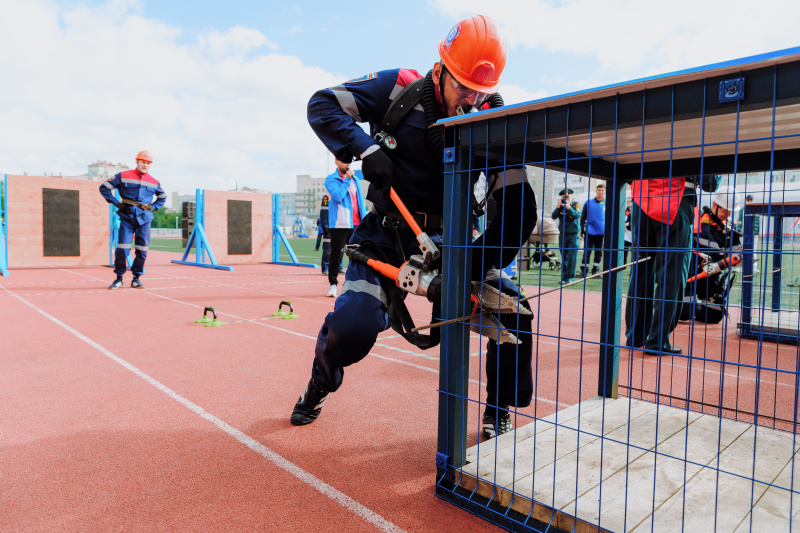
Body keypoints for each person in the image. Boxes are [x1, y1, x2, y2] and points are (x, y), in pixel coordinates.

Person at [293, 14, 537, 440]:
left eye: (481, 92)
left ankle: (497, 409)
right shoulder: (398, 88)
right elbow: (322, 104)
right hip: (386, 235)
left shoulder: (493, 123)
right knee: (353, 327)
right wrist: (366, 149)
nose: (470, 101)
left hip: (454, 241)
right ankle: (320, 381)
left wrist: (471, 271)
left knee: (515, 313)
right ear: (440, 69)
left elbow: (519, 210)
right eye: (462, 87)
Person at [625, 175, 719, 356]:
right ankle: (657, 341)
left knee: (640, 271)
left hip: (641, 199)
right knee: (673, 275)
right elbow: (710, 182)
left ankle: (635, 337)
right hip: (675, 197)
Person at [99, 150, 167, 290]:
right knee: (122, 250)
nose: (145, 165)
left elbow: (163, 197)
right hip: (127, 217)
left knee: (142, 251)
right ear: (137, 161)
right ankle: (119, 278)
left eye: (148, 163)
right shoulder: (123, 175)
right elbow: (104, 188)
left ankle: (136, 278)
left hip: (144, 219)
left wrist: (153, 207)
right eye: (143, 162)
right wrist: (117, 203)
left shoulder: (154, 182)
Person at [679, 186, 741, 324]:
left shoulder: (729, 229)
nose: (729, 214)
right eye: (726, 210)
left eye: (731, 211)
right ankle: (684, 305)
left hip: (711, 276)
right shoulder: (698, 220)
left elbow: (738, 255)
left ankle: (699, 307)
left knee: (714, 316)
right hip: (691, 274)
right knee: (684, 312)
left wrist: (731, 257)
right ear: (715, 205)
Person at [324, 159, 367, 297]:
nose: (347, 164)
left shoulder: (356, 180)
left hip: (356, 224)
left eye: (349, 161)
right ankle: (333, 284)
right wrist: (347, 180)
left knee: (356, 256)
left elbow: (360, 200)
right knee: (337, 255)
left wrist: (365, 219)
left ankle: (353, 284)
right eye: (344, 161)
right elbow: (337, 197)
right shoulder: (331, 179)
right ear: (336, 161)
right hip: (339, 224)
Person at [552, 188, 580, 283]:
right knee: (564, 257)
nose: (566, 199)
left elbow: (577, 215)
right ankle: (564, 277)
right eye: (564, 197)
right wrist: (557, 206)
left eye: (568, 197)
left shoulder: (575, 204)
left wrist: (569, 208)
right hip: (563, 234)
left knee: (572, 257)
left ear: (571, 197)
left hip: (573, 235)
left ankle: (570, 278)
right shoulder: (560, 206)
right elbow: (553, 216)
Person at [580, 183, 606, 277]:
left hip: (601, 232)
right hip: (590, 232)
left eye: (602, 190)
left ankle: (596, 271)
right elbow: (583, 217)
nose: (600, 192)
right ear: (596, 191)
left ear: (605, 191)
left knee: (599, 252)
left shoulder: (608, 203)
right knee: (587, 252)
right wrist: (582, 228)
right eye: (599, 190)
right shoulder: (588, 203)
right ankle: (584, 271)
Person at [315, 195, 331, 275]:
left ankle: (338, 267)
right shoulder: (327, 197)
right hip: (326, 229)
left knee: (339, 249)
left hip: (337, 227)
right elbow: (323, 213)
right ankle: (325, 268)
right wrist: (325, 227)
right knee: (327, 249)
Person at [623, 194, 633, 264]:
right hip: (625, 234)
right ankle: (623, 265)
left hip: (632, 233)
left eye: (630, 201)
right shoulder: (624, 211)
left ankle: (633, 266)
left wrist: (627, 224)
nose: (628, 203)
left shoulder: (635, 211)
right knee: (624, 250)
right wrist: (624, 226)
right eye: (627, 201)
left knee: (633, 252)